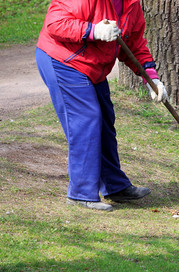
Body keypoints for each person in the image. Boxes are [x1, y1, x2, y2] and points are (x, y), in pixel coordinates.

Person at [35, 0, 168, 211]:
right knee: (86, 119)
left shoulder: (132, 4)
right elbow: (55, 23)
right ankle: (81, 192)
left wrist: (152, 79)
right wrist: (93, 30)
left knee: (105, 120)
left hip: (93, 65)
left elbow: (133, 44)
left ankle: (115, 187)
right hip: (63, 60)